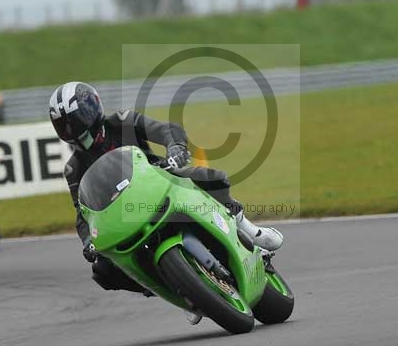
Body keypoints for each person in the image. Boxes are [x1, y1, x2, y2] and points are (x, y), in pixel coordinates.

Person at [49, 81, 284, 312]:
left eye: (76, 119)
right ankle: (164, 286)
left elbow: (164, 130)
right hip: (123, 218)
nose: (72, 129)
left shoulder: (121, 121)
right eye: (64, 125)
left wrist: (176, 147)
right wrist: (88, 242)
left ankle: (249, 230)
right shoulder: (74, 168)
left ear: (94, 106)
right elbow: (83, 213)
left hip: (161, 183)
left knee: (211, 177)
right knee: (103, 271)